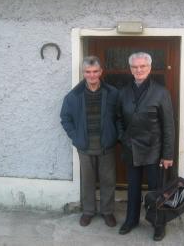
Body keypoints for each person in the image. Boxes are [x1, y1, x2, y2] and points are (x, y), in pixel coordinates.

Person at [116, 52, 175, 241]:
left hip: (154, 151)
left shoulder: (161, 92)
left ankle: (159, 224)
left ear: (149, 68)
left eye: (142, 66)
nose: (138, 70)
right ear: (130, 69)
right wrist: (122, 138)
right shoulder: (123, 91)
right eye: (135, 67)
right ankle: (131, 220)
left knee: (156, 190)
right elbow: (117, 118)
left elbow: (169, 126)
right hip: (131, 148)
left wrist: (167, 154)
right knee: (132, 188)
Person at [60, 56, 118, 227]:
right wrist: (75, 136)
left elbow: (120, 116)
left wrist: (116, 135)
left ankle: (107, 212)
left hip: (106, 145)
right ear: (83, 73)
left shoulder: (113, 93)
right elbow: (65, 118)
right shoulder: (73, 96)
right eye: (88, 72)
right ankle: (88, 211)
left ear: (101, 72)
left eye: (95, 72)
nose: (92, 75)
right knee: (88, 181)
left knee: (108, 180)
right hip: (85, 146)